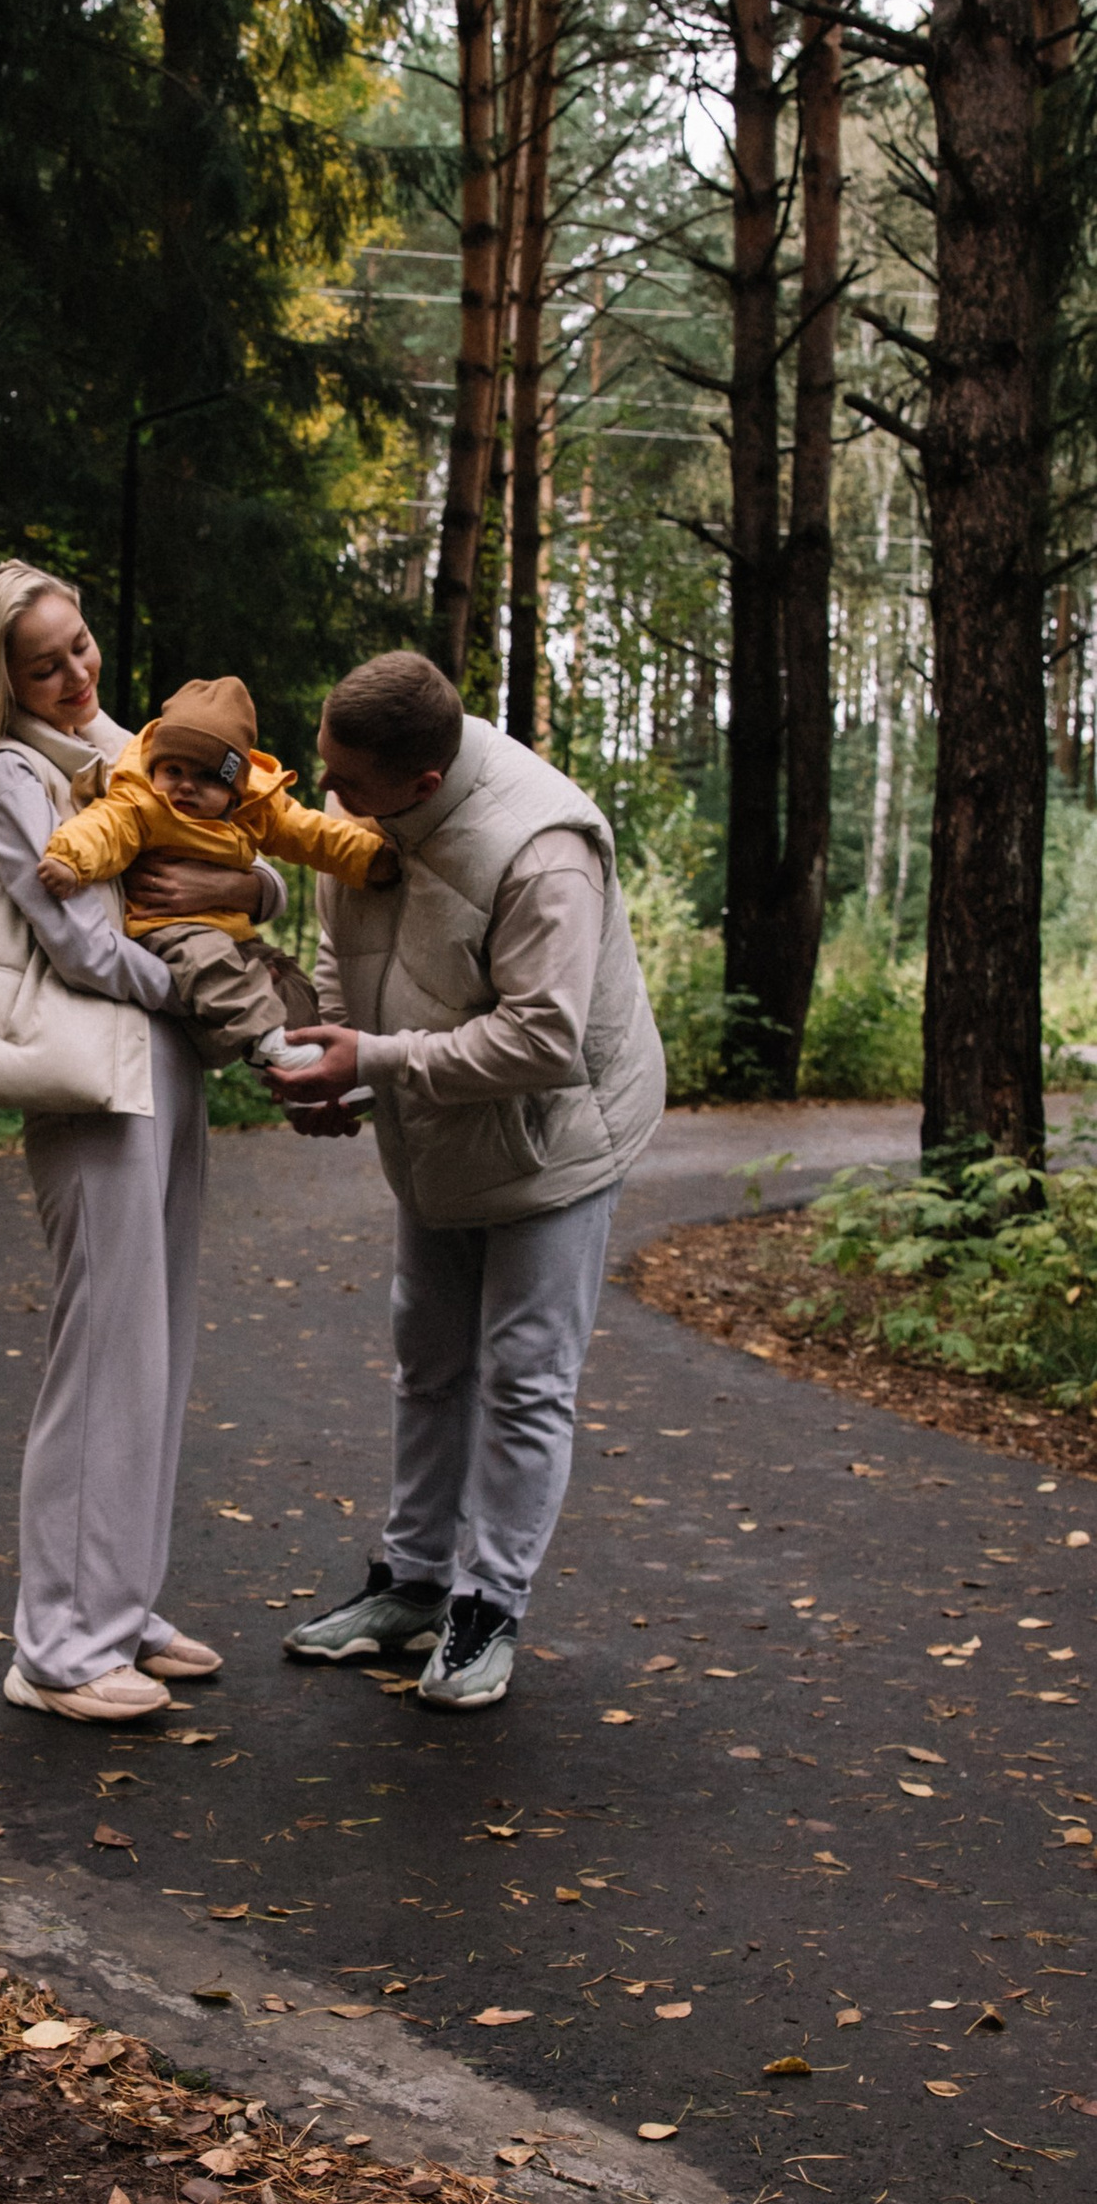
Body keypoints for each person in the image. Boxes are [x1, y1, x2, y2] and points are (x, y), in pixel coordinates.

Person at [268, 650, 668, 1714]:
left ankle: (487, 1605)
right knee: (428, 1358)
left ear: (424, 783)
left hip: (555, 1142)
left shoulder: (544, 855)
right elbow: (337, 945)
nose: (323, 794)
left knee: (526, 1377)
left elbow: (544, 1040)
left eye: (346, 780)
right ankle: (412, 1585)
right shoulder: (361, 806)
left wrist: (377, 1060)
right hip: (438, 1131)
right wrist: (335, 1070)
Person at [0, 566, 275, 1723]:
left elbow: (261, 864)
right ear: (0, 678)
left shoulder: (133, 751)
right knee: (103, 1350)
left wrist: (241, 885)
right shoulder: (9, 778)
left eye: (79, 645)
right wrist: (199, 983)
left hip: (161, 1064)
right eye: (44, 664)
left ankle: (118, 1606)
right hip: (90, 1080)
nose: (75, 674)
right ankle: (57, 1647)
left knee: (155, 1343)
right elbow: (78, 944)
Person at [36, 668, 395, 1069]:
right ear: (156, 768)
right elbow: (102, 828)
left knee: (288, 977)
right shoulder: (141, 805)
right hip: (171, 930)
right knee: (213, 966)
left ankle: (309, 1063)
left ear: (234, 790)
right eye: (173, 771)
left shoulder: (255, 809)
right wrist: (68, 860)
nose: (186, 786)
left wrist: (368, 857)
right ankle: (264, 1038)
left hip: (235, 932)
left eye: (207, 776)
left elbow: (313, 833)